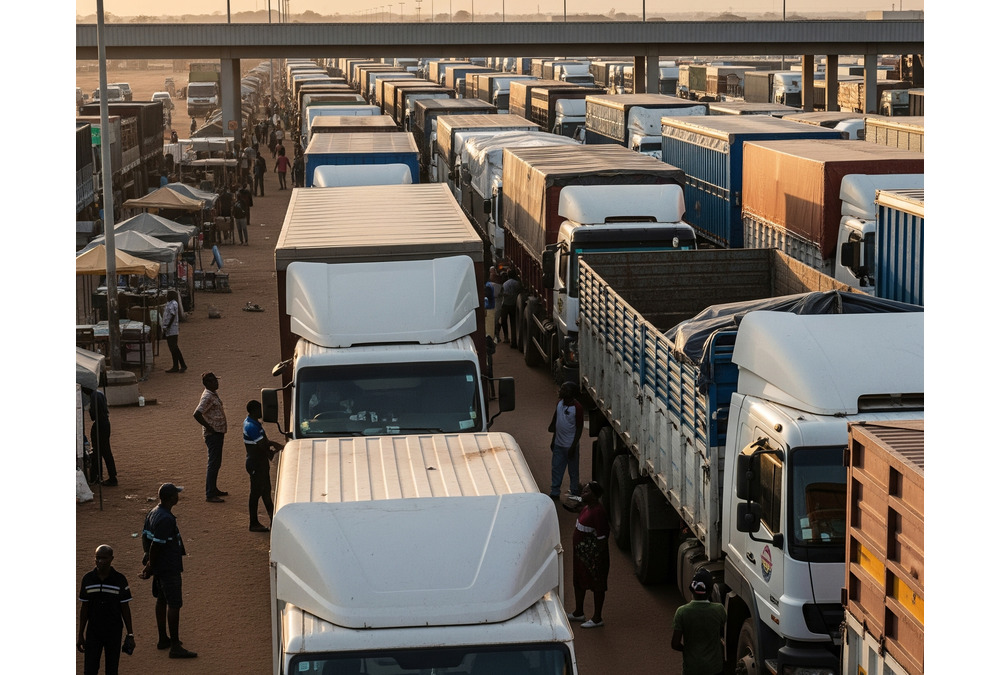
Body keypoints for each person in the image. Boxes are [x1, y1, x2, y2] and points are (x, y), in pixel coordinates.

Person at [139, 483, 198, 659]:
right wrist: (149, 567)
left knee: (161, 600)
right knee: (174, 604)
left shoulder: (154, 512)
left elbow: (145, 538)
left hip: (160, 566)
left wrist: (150, 564)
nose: (178, 496)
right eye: (176, 494)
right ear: (172, 498)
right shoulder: (166, 519)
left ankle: (163, 638)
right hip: (168, 567)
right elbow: (156, 546)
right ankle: (174, 646)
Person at [78, 544, 135, 675]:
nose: (100, 561)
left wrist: (130, 634)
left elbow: (125, 608)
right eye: (98, 558)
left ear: (111, 559)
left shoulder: (120, 580)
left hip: (114, 631)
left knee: (112, 669)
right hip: (93, 631)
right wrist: (80, 634)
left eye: (104, 558)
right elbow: (84, 608)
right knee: (90, 669)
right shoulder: (87, 579)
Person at [567, 481, 610, 628]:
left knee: (597, 586)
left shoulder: (598, 512)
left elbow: (602, 538)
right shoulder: (586, 508)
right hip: (581, 556)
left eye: (586, 492)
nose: (583, 494)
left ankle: (597, 618)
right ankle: (579, 612)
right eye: (583, 491)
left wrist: (594, 558)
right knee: (578, 582)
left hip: (592, 558)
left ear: (594, 496)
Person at [671, 569, 727, 675]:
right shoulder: (719, 610)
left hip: (692, 668)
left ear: (691, 590)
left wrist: (688, 651)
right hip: (714, 668)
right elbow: (722, 630)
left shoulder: (682, 612)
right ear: (711, 592)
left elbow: (675, 644)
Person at [243, 400, 283, 532]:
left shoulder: (252, 422)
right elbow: (264, 445)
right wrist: (276, 449)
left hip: (258, 463)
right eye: (260, 409)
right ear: (254, 411)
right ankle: (254, 523)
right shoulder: (251, 426)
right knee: (256, 493)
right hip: (256, 464)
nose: (262, 412)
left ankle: (272, 520)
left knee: (265, 491)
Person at [193, 372, 228, 502]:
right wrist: (209, 427)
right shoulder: (207, 396)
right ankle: (210, 493)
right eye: (214, 381)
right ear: (208, 383)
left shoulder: (212, 394)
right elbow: (197, 414)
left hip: (217, 432)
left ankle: (213, 489)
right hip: (213, 434)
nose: (217, 383)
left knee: (216, 463)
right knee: (213, 463)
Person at [548, 381, 584, 500]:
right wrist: (553, 440)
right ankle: (555, 491)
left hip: (570, 445)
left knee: (573, 471)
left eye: (564, 389)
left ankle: (574, 491)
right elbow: (556, 420)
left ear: (570, 393)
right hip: (559, 444)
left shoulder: (577, 408)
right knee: (556, 468)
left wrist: (573, 446)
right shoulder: (559, 403)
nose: (561, 391)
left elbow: (579, 428)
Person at [87, 382, 118, 487]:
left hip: (100, 425)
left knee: (101, 452)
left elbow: (93, 415)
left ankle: (102, 476)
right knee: (104, 452)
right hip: (104, 424)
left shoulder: (94, 396)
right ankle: (108, 476)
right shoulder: (98, 394)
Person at [162, 289, 187, 374]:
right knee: (172, 348)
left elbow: (172, 316)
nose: (166, 296)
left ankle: (182, 365)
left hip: (172, 329)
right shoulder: (169, 303)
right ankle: (176, 366)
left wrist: (168, 326)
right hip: (169, 328)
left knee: (174, 348)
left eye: (168, 295)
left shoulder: (173, 304)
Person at [498, 269, 522, 348]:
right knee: (513, 323)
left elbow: (501, 294)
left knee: (504, 321)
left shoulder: (505, 284)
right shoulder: (517, 284)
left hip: (505, 305)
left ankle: (506, 337)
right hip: (513, 305)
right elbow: (519, 292)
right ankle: (513, 340)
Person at [486, 267, 503, 340]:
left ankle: (496, 336)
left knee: (494, 321)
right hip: (493, 306)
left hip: (494, 306)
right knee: (494, 321)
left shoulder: (492, 285)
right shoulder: (496, 285)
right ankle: (495, 336)